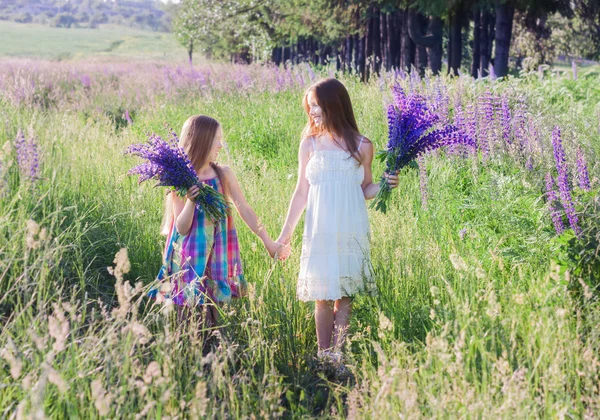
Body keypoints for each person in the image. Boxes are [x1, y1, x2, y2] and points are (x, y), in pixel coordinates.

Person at [277, 78, 399, 365]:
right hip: (320, 228)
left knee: (344, 295)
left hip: (349, 227)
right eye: (310, 108)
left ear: (334, 104)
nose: (313, 113)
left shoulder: (362, 144)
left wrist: (385, 185)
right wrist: (285, 235)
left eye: (317, 106)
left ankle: (338, 355)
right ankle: (323, 355)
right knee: (321, 294)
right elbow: (301, 192)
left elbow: (366, 188)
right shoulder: (309, 145)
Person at [149, 115, 285, 327]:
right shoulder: (178, 179)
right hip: (189, 259)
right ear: (202, 141)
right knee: (188, 321)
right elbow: (181, 228)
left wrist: (268, 242)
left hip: (217, 256)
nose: (221, 144)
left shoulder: (223, 174)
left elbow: (245, 209)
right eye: (217, 139)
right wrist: (191, 201)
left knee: (212, 317)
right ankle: (190, 356)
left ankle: (211, 355)